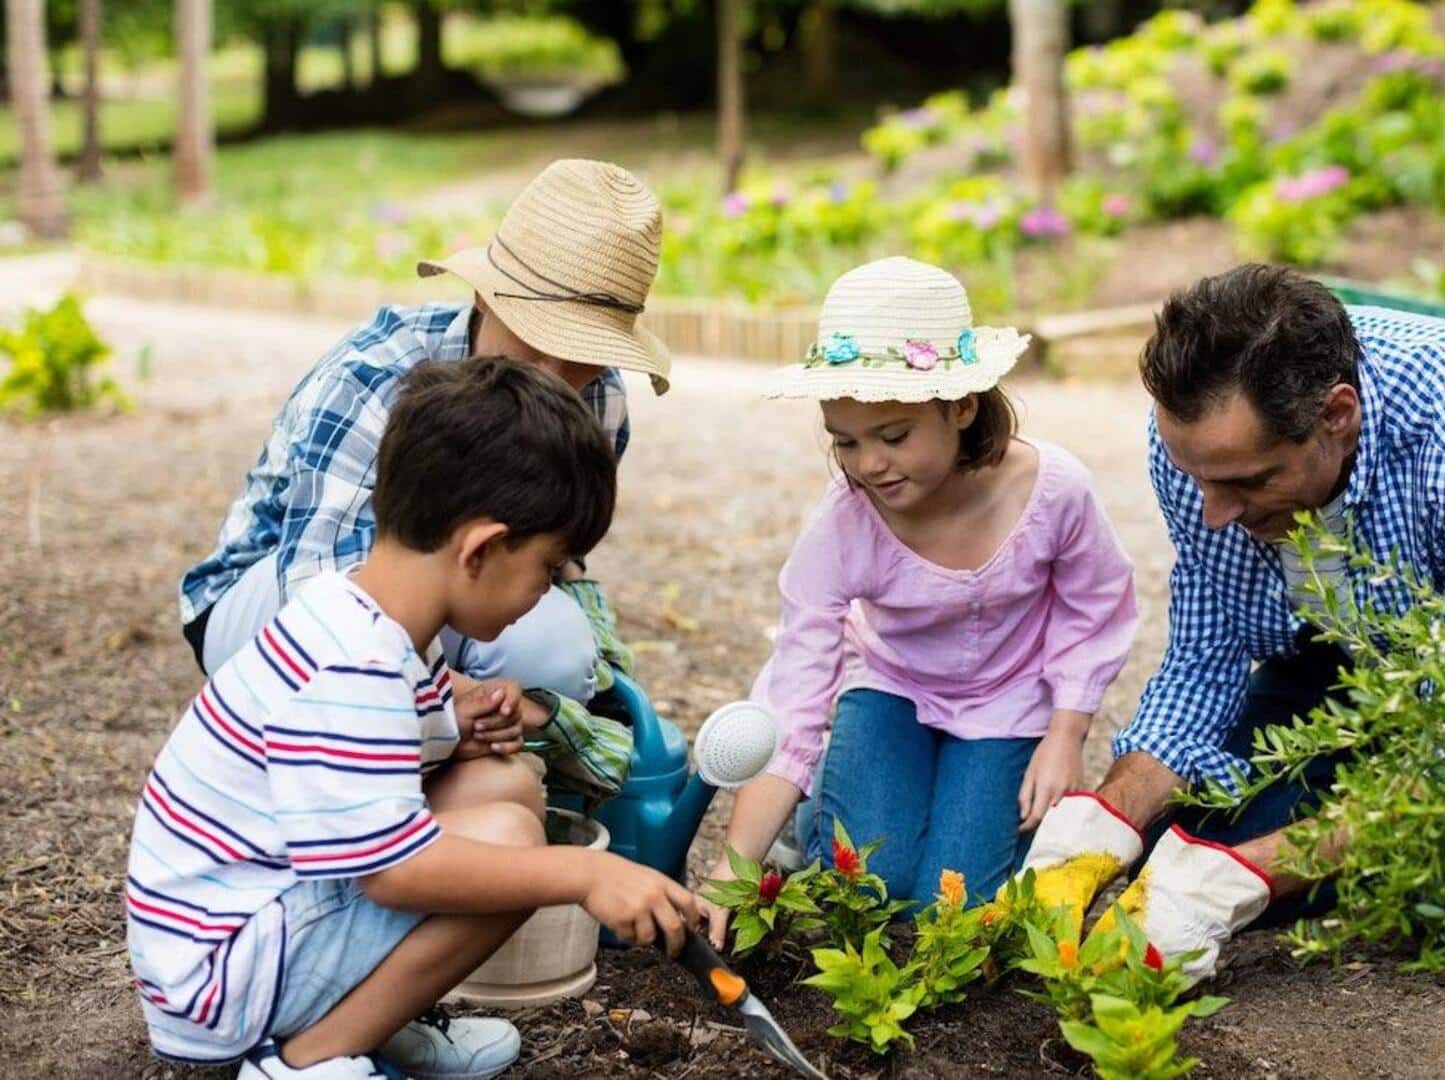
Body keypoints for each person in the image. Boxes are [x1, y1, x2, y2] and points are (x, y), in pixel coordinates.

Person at [1018, 264, 1445, 978]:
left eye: (1248, 483)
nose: (1214, 511)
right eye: (1200, 478)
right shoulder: (1206, 443)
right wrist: (1105, 818)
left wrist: (1257, 871)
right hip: (1341, 655)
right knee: (1177, 842)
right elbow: (1208, 658)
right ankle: (1377, 823)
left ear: (1337, 415)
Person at [126, 357, 701, 1080]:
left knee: (508, 791)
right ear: (482, 549)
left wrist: (456, 727)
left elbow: (386, 761)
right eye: (548, 569)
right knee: (515, 849)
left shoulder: (370, 616)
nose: (544, 592)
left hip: (254, 915)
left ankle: (365, 1025)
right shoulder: (353, 665)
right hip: (217, 978)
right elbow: (394, 873)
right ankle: (308, 1060)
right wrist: (581, 872)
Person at [178, 158, 672, 799]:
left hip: (456, 593)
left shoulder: (600, 399)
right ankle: (356, 766)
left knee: (556, 647)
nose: (552, 376)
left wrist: (520, 702)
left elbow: (546, 558)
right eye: (531, 343)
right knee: (357, 666)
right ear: (483, 297)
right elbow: (320, 590)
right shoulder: (378, 374)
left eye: (579, 354)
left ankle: (444, 788)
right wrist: (448, 699)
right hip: (278, 595)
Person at [700, 257, 1139, 941]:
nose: (868, 464)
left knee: (951, 914)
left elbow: (1095, 605)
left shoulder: (1054, 491)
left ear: (962, 406)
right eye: (843, 441)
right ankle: (809, 811)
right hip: (890, 685)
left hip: (1009, 700)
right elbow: (796, 690)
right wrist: (730, 875)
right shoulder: (846, 520)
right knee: (869, 891)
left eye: (893, 436)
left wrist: (1065, 733)